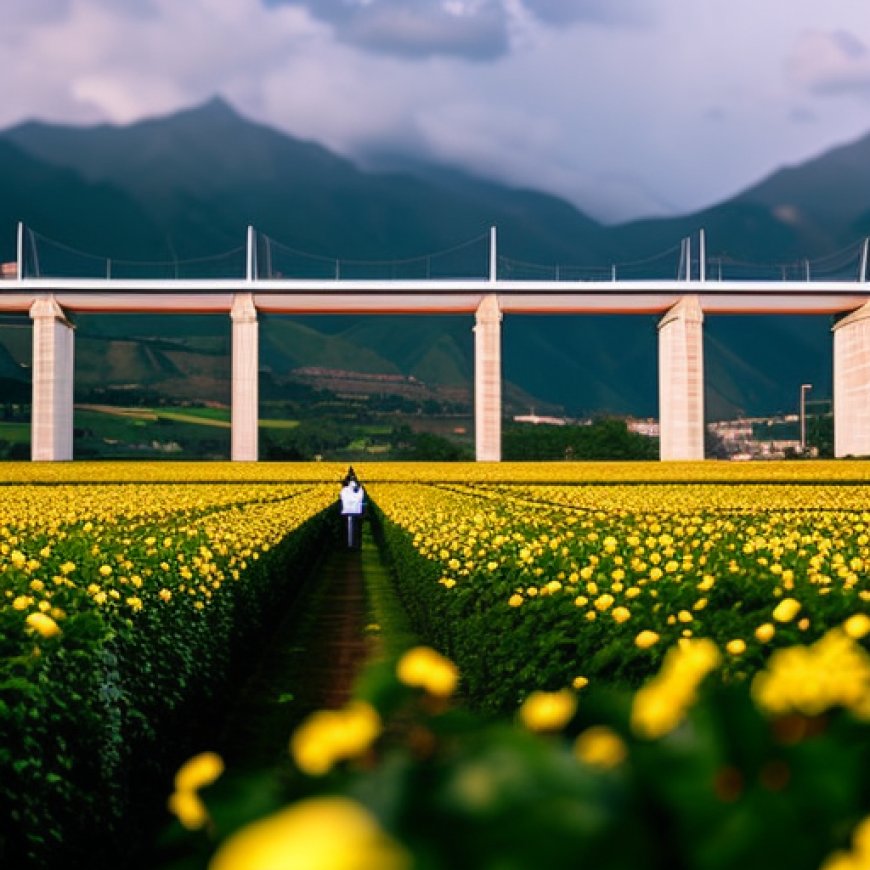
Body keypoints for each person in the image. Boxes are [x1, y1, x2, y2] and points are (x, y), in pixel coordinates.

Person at [339, 471, 366, 550]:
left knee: (347, 530)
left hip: (346, 512)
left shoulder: (344, 490)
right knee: (355, 530)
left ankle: (347, 545)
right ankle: (355, 545)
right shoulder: (358, 491)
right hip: (356, 513)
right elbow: (361, 498)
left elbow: (341, 498)